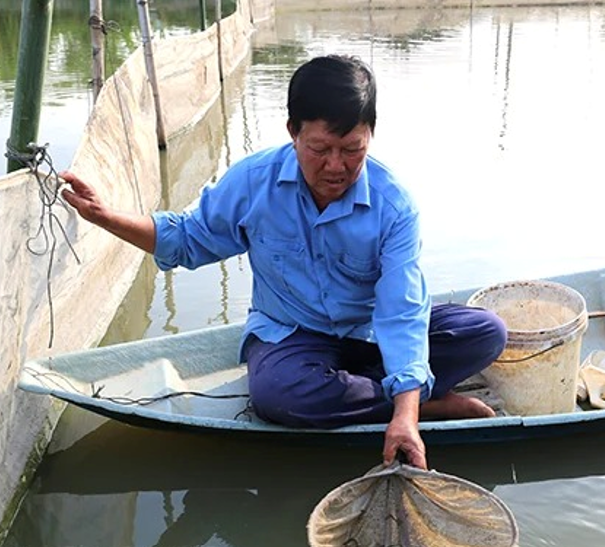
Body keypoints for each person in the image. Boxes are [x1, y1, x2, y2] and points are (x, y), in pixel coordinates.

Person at [59, 54, 507, 470]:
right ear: (293, 131)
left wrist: (403, 418)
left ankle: (386, 395)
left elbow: (401, 311)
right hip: (292, 335)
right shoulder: (254, 182)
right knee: (279, 395)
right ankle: (422, 401)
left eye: (352, 150)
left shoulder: (394, 207)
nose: (336, 166)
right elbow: (187, 240)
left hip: (370, 335)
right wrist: (104, 216)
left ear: (371, 135)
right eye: (320, 148)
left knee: (486, 332)